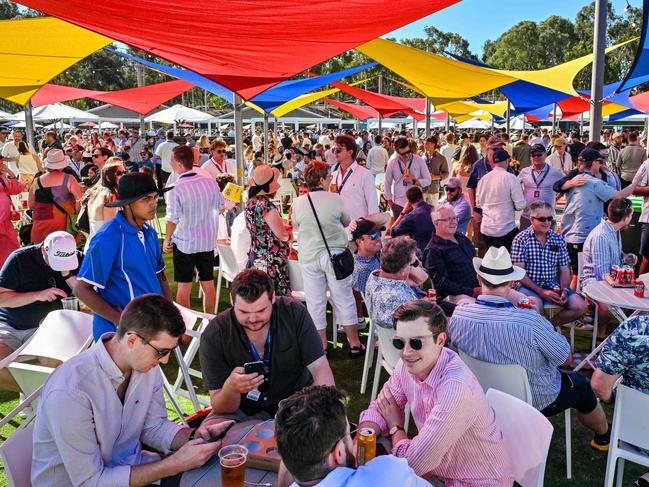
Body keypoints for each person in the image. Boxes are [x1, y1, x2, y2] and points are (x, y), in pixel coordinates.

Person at [31, 294, 233, 487]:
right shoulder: (70, 391)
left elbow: (153, 427)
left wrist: (195, 436)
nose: (164, 360)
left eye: (169, 352)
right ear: (132, 340)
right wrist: (173, 464)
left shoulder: (144, 366)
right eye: (161, 352)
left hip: (132, 469)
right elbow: (91, 481)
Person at [448, 246, 612, 450]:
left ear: (479, 280)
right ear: (511, 282)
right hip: (535, 399)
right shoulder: (530, 321)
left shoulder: (459, 316)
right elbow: (566, 360)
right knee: (581, 385)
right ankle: (603, 437)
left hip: (481, 394)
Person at [359, 300, 514, 486]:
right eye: (399, 342)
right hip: (435, 474)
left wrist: (396, 428)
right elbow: (381, 406)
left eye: (416, 343)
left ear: (440, 340)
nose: (406, 352)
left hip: (477, 481)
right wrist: (364, 435)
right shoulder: (407, 366)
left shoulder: (455, 388)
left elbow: (412, 465)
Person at [198, 269, 334, 425]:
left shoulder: (294, 313)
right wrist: (231, 388)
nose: (253, 319)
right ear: (232, 301)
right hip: (243, 411)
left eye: (261, 310)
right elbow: (220, 406)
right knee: (208, 432)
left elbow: (320, 367)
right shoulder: (214, 335)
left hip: (297, 404)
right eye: (243, 312)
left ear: (273, 298)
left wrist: (329, 411)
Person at [75, 173, 173, 340]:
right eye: (146, 199)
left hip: (150, 326)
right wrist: (122, 321)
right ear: (127, 204)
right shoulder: (108, 237)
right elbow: (81, 289)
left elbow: (160, 275)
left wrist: (170, 311)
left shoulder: (150, 233)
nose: (153, 203)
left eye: (155, 197)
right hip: (117, 333)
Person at [275, 386, 429, 487]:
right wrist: (396, 428)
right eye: (349, 433)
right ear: (338, 454)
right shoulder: (388, 473)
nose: (353, 438)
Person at [292, 161, 363, 355]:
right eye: (329, 177)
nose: (330, 180)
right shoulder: (335, 199)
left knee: (315, 301)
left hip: (309, 255)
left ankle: (321, 345)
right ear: (322, 179)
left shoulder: (298, 202)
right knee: (344, 298)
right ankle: (354, 343)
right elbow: (347, 222)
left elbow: (295, 224)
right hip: (334, 255)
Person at [0, 231, 80, 391]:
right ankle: (37, 393)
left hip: (50, 328)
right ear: (43, 250)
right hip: (9, 326)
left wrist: (68, 274)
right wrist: (37, 295)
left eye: (66, 260)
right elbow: (1, 297)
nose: (61, 265)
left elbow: (89, 296)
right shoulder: (20, 258)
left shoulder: (77, 259)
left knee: (51, 363)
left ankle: (37, 394)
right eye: (57, 260)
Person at [557, 148, 640, 287]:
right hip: (582, 235)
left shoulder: (575, 178)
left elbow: (557, 187)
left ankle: (574, 301)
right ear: (594, 163)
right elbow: (620, 195)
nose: (602, 164)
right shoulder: (593, 182)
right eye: (600, 161)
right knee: (579, 276)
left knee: (576, 275)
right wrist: (636, 180)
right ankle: (574, 303)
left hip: (570, 234)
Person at [163, 145, 223, 313]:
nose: (170, 163)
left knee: (185, 285)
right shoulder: (210, 181)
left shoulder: (176, 188)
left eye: (172, 161)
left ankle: (185, 330)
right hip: (207, 241)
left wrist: (167, 240)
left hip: (185, 242)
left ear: (179, 164)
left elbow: (172, 219)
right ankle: (208, 322)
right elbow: (221, 206)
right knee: (207, 282)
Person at [511, 200, 588, 325]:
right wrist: (541, 291)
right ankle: (546, 332)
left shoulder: (557, 238)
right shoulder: (521, 239)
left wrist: (564, 290)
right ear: (532, 220)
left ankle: (548, 327)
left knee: (581, 307)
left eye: (549, 218)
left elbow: (564, 269)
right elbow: (519, 274)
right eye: (542, 219)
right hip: (527, 286)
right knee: (536, 307)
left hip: (553, 285)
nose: (547, 222)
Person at [365, 236, 436, 329]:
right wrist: (423, 305)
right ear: (403, 269)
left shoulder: (374, 275)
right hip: (410, 338)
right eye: (413, 264)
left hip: (388, 334)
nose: (414, 267)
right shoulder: (400, 299)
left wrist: (419, 303)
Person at [245, 165, 291, 296]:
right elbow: (281, 235)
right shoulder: (266, 206)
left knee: (259, 297)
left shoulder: (250, 203)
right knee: (274, 299)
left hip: (256, 255)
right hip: (270, 260)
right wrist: (289, 236)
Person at [475, 148, 526, 251]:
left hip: (487, 228)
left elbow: (479, 204)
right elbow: (520, 205)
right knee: (504, 262)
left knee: (491, 261)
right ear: (507, 161)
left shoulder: (483, 179)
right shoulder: (511, 178)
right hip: (505, 229)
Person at [28, 149, 81, 244]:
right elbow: (79, 200)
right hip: (63, 223)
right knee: (63, 253)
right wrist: (75, 213)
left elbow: (31, 205)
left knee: (41, 254)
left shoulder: (37, 181)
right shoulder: (69, 179)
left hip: (41, 223)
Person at [580, 197, 634, 288]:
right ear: (625, 219)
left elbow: (612, 257)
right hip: (595, 285)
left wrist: (625, 257)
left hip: (610, 280)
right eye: (631, 214)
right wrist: (623, 288)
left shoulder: (614, 229)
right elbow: (602, 274)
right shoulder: (601, 236)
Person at [329, 134, 379, 220]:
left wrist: (370, 230)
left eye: (338, 150)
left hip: (358, 229)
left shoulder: (365, 175)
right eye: (333, 150)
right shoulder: (334, 175)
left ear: (350, 152)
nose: (335, 153)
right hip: (338, 228)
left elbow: (373, 207)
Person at [518, 144, 564, 230]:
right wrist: (521, 196)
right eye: (533, 155)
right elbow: (515, 186)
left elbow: (566, 184)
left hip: (547, 218)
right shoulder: (524, 171)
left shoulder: (555, 172)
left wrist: (557, 198)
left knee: (548, 243)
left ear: (545, 155)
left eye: (539, 155)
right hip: (528, 217)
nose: (536, 157)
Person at [80, 160, 126, 247]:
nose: (124, 175)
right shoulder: (109, 197)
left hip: (93, 245)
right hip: (105, 248)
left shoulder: (95, 192)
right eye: (119, 173)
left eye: (125, 172)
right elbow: (111, 230)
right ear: (108, 177)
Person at [384, 137, 431, 219]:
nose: (406, 155)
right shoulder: (392, 162)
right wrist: (391, 204)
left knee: (417, 231)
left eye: (408, 152)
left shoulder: (419, 160)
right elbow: (387, 183)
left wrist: (413, 181)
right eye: (403, 154)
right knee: (400, 231)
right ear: (397, 152)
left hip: (416, 204)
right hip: (398, 205)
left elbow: (428, 180)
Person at [388, 186, 434, 253]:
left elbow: (393, 232)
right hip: (440, 251)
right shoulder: (436, 209)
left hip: (423, 254)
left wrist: (403, 213)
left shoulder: (410, 217)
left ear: (408, 201)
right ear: (422, 196)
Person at [0, 157, 24, 266]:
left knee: (11, 250)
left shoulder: (2, 177)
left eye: (2, 163)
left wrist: (10, 173)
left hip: (5, 222)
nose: (2, 165)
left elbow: (16, 189)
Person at [351, 218, 383, 295]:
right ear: (359, 241)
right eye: (373, 236)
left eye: (379, 234)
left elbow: (386, 217)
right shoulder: (363, 270)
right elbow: (368, 301)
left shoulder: (377, 254)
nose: (379, 238)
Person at [422, 135, 449, 206]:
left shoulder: (441, 158)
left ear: (433, 144)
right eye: (424, 143)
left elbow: (446, 173)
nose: (425, 145)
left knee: (433, 212)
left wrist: (437, 177)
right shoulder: (422, 156)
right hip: (422, 189)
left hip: (433, 189)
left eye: (427, 143)